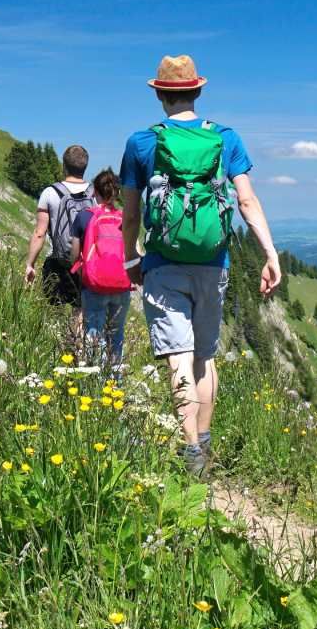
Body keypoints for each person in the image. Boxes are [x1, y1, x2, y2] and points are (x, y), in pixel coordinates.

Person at [120, 55, 280, 475]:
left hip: (162, 263)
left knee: (178, 358)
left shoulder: (141, 143)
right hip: (214, 263)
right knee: (204, 358)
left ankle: (190, 451)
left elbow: (131, 214)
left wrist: (131, 256)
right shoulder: (226, 138)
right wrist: (270, 254)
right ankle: (204, 444)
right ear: (198, 90)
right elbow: (246, 201)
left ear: (159, 94)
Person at [23, 144, 93, 337]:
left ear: (64, 166)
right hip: (85, 264)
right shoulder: (95, 194)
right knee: (79, 310)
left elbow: (40, 232)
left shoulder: (50, 193)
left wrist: (30, 264)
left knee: (55, 311)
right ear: (85, 167)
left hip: (57, 261)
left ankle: (58, 349)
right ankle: (78, 351)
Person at [71, 168, 132, 370]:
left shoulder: (84, 217)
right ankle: (115, 383)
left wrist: (82, 271)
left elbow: (75, 253)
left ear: (94, 191)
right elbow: (135, 251)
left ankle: (96, 385)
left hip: (94, 285)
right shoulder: (125, 218)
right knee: (117, 333)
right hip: (121, 285)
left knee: (93, 332)